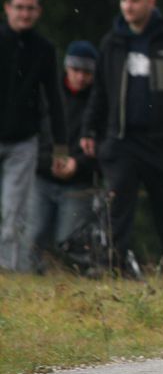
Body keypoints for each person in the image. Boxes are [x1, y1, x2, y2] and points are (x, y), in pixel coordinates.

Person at [80, 0, 163, 278]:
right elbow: (100, 92)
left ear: (151, 1)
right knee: (117, 204)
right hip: (121, 139)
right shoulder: (112, 43)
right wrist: (88, 130)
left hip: (162, 141)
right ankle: (114, 266)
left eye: (135, 0)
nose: (128, 7)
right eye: (124, 0)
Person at [0, 0, 67, 272]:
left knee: (14, 213)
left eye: (30, 9)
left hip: (23, 142)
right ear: (7, 8)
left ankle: (6, 273)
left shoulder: (44, 50)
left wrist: (60, 146)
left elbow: (54, 97)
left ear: (38, 12)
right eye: (19, 7)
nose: (24, 14)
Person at [25, 41, 101, 272]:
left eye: (87, 72)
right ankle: (28, 279)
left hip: (78, 182)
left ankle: (87, 274)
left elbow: (102, 145)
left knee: (70, 240)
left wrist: (77, 163)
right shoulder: (46, 95)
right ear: (67, 68)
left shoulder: (99, 103)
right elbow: (31, 134)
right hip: (42, 176)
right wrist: (50, 161)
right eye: (76, 70)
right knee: (32, 235)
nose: (80, 77)